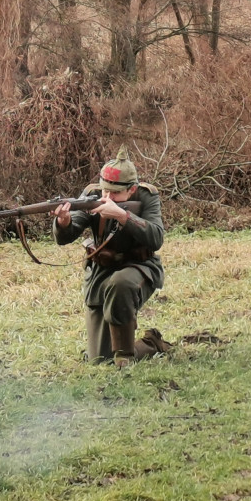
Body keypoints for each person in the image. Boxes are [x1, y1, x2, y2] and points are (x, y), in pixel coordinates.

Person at [52, 146, 170, 367]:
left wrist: (122, 215)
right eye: (105, 191)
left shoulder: (147, 197)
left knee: (121, 283)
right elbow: (66, 235)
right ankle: (151, 344)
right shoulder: (92, 195)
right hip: (102, 271)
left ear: (132, 189)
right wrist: (64, 221)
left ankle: (124, 358)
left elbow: (156, 238)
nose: (107, 197)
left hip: (139, 267)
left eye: (115, 193)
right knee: (99, 359)